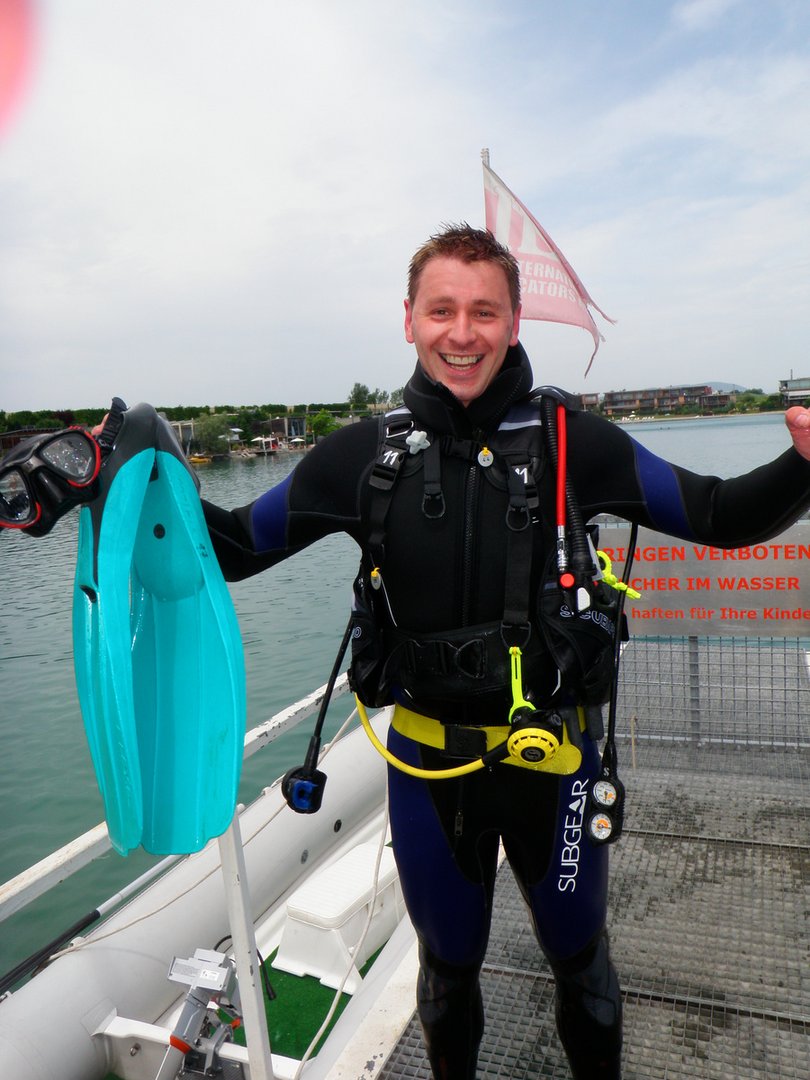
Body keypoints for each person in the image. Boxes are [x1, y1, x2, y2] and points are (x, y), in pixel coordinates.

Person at [202, 225, 810, 1079]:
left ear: (515, 321)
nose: (463, 333)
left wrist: (803, 461)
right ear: (408, 319)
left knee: (583, 967)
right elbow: (233, 548)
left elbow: (717, 513)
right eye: (442, 310)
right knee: (447, 976)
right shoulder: (359, 458)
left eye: (484, 312)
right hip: (428, 767)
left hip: (556, 762)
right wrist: (127, 480)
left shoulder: (575, 443)